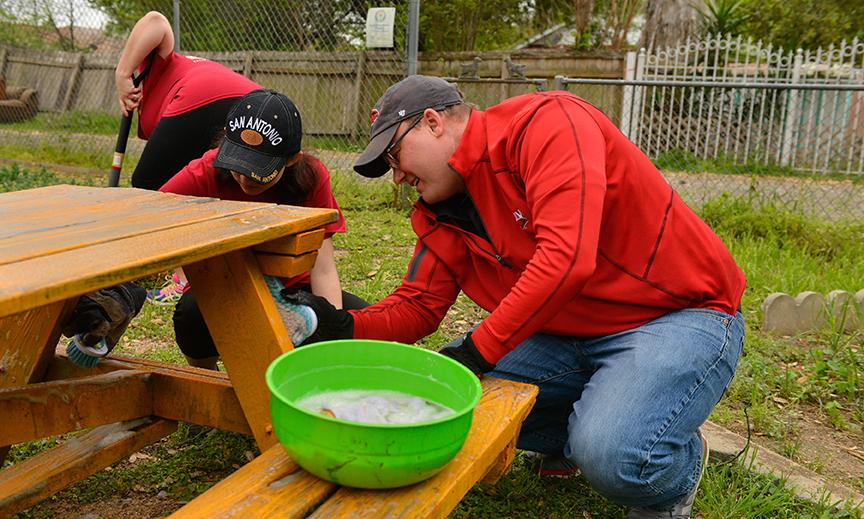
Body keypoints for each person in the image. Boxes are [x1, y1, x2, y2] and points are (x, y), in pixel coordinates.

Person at [283, 75, 746, 518]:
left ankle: (668, 467)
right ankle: (593, 423)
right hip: (566, 330)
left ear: (432, 121)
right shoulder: (441, 210)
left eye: (394, 154)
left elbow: (566, 259)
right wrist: (339, 325)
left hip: (677, 314)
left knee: (615, 453)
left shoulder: (547, 124)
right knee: (453, 408)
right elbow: (419, 305)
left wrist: (478, 351)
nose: (397, 176)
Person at [160, 88, 366, 370]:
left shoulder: (311, 177)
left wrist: (329, 334)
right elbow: (151, 214)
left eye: (258, 170)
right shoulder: (206, 169)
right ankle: (205, 378)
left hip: (294, 294)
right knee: (191, 313)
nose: (244, 177)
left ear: (292, 159)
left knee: (363, 321)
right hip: (227, 291)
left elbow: (324, 268)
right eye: (237, 164)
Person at [115, 11, 261, 191]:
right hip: (258, 104)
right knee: (224, 185)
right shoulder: (158, 84)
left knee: (147, 184)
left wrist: (122, 74)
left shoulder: (163, 63)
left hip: (201, 95)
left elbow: (155, 21)